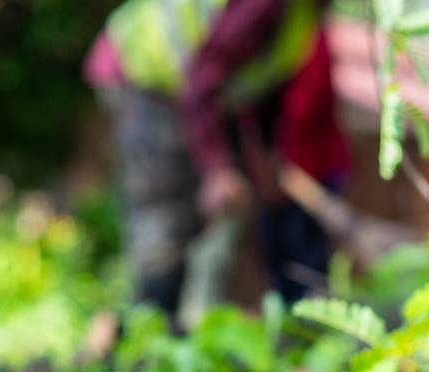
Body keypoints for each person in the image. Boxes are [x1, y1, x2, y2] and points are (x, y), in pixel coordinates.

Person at [85, 0, 348, 323]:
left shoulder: (301, 14)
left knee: (230, 211)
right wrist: (218, 168)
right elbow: (203, 74)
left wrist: (267, 158)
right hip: (146, 72)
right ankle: (149, 336)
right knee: (166, 218)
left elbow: (262, 81)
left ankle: (193, 333)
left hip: (204, 92)